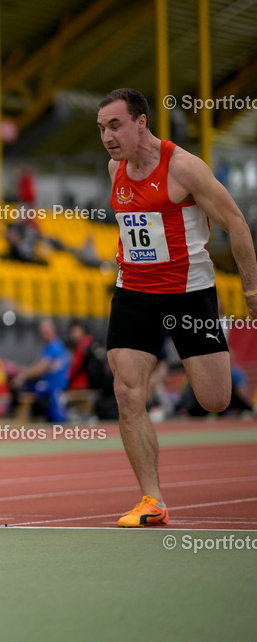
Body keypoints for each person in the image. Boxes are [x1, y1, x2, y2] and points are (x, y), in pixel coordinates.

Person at [97, 88, 257, 527]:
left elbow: (236, 224)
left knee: (215, 399)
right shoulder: (115, 169)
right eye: (102, 129)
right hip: (133, 292)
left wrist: (252, 293)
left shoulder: (184, 168)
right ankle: (152, 500)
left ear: (141, 122)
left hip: (190, 292)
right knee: (128, 391)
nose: (108, 137)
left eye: (115, 125)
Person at [11, 319, 70, 423]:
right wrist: (22, 370)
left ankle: (19, 415)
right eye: (42, 332)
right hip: (50, 387)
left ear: (53, 330)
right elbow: (35, 366)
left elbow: (39, 369)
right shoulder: (49, 348)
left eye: (46, 331)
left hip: (54, 388)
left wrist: (22, 376)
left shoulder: (54, 347)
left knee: (57, 419)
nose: (44, 334)